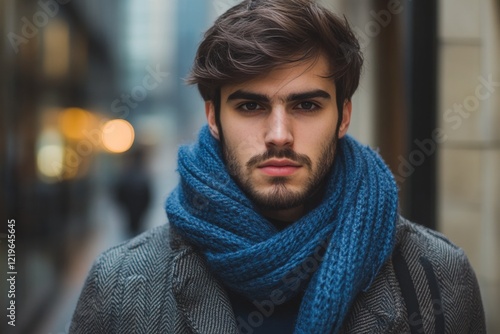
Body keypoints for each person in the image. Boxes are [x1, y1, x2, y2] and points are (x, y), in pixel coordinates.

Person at [70, 0, 486, 333]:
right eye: (251, 106)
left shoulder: (438, 278)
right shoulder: (119, 286)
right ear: (213, 118)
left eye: (306, 105)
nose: (279, 134)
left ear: (343, 116)